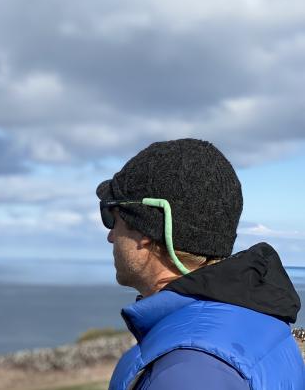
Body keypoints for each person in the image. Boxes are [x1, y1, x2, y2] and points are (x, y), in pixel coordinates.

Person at [96, 138, 305, 390]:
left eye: (112, 218)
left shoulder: (187, 371)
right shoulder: (260, 317)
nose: (110, 236)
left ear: (145, 229)